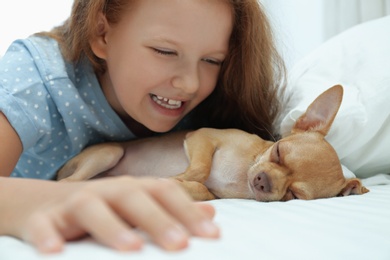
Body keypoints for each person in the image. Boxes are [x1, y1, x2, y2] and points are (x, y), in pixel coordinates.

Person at [0, 0, 285, 254]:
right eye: (164, 51)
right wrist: (55, 199)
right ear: (102, 33)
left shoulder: (214, 105)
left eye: (212, 61)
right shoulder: (34, 77)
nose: (191, 84)